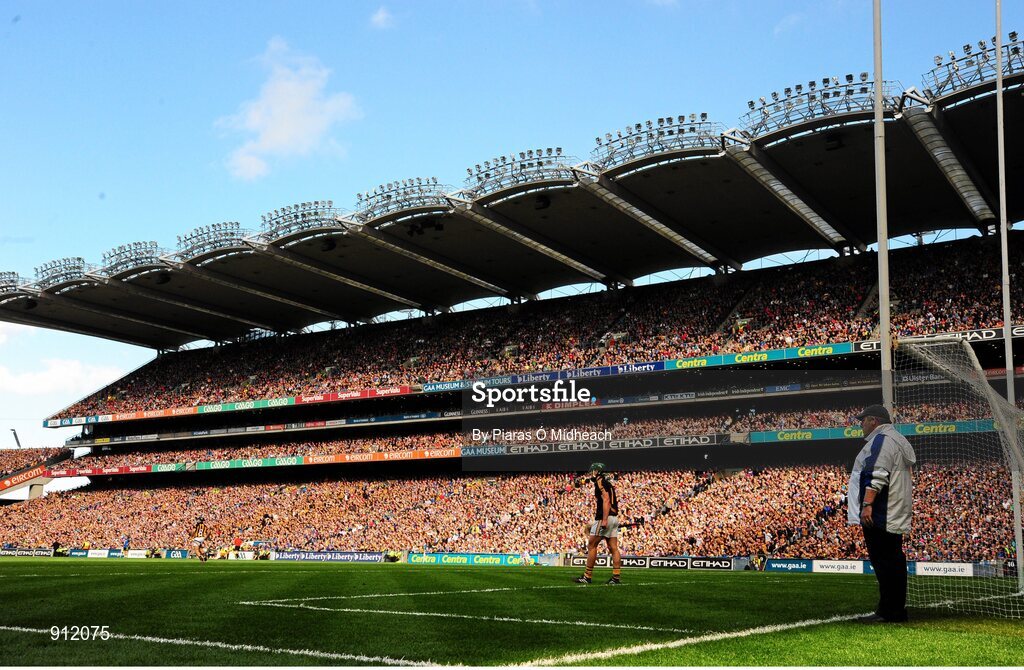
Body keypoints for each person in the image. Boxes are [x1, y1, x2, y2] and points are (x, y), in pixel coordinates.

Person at [847, 404, 916, 623]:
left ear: (874, 421)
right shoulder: (896, 440)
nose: (861, 424)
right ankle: (893, 609)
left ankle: (889, 611)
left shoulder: (882, 440)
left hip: (881, 510)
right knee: (893, 560)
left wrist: (868, 504)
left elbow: (877, 472)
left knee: (884, 561)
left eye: (863, 420)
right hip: (893, 508)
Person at [574, 463, 622, 585]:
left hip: (604, 517)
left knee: (592, 545)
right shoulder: (607, 482)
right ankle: (616, 577)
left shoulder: (600, 481)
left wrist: (604, 520)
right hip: (614, 517)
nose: (592, 473)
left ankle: (587, 576)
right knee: (613, 548)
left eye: (593, 471)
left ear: (597, 472)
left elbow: (605, 499)